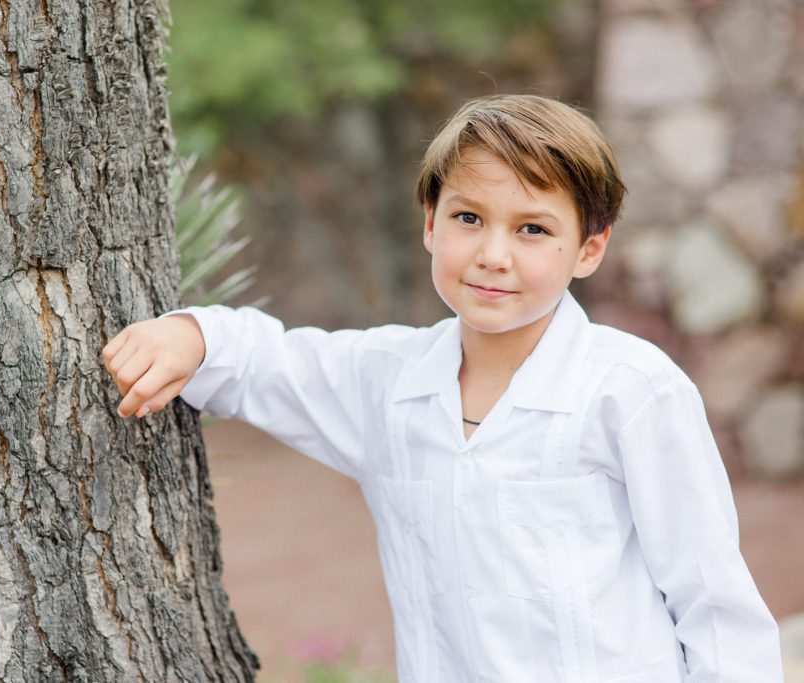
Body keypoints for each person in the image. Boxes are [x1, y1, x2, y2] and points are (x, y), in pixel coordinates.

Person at [101, 94, 783, 682]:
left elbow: (715, 607)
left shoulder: (632, 391)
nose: (493, 254)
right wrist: (191, 335)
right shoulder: (389, 382)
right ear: (430, 222)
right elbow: (269, 362)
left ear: (588, 250)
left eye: (533, 229)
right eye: (468, 218)